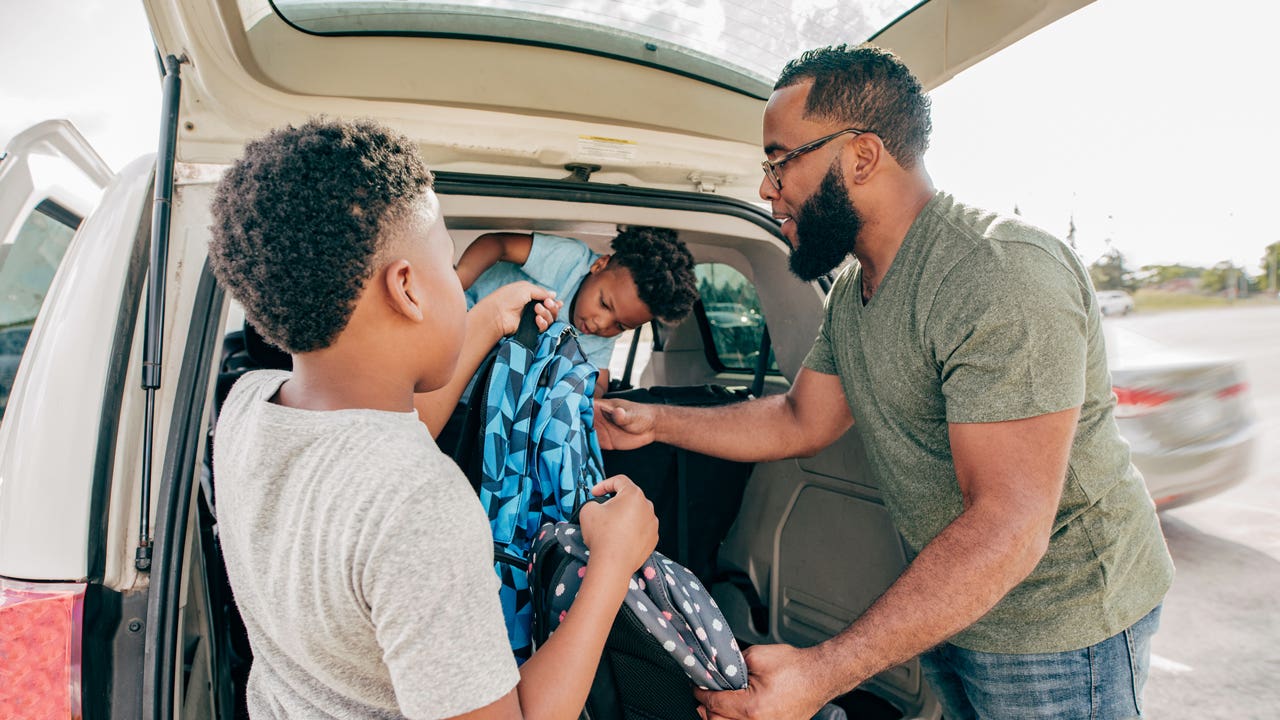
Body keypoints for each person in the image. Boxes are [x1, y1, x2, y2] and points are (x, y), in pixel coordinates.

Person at [596, 45, 1173, 720]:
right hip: (956, 607)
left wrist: (821, 674)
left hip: (1061, 630)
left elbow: (1009, 524)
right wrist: (654, 422)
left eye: (780, 161)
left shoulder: (999, 274)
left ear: (862, 157)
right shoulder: (854, 291)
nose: (765, 187)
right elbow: (800, 420)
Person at [208, 118, 658, 719]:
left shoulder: (249, 403)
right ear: (407, 289)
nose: (457, 280)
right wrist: (612, 563)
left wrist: (492, 316)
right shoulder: (423, 506)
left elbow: (389, 435)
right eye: (448, 264)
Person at [454, 226, 699, 397]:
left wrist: (590, 397)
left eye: (621, 326)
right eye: (604, 304)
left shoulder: (605, 336)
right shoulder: (570, 262)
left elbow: (599, 379)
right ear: (599, 265)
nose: (602, 324)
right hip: (461, 320)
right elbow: (498, 244)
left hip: (477, 393)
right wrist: (457, 283)